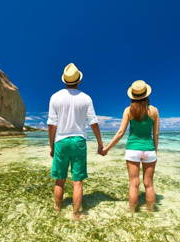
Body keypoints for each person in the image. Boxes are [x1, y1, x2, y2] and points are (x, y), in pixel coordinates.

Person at [47, 63, 103, 220]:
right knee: (77, 181)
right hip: (78, 141)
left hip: (61, 141)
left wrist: (52, 146)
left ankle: (57, 208)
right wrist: (100, 143)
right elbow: (93, 122)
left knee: (60, 179)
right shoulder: (86, 98)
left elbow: (52, 125)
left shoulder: (55, 97)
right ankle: (76, 214)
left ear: (64, 80)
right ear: (78, 81)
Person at [102, 80, 159, 212]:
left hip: (133, 150)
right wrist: (155, 150)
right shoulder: (154, 111)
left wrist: (107, 148)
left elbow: (121, 132)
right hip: (149, 150)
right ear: (146, 94)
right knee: (148, 184)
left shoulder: (128, 110)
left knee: (134, 183)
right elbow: (155, 134)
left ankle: (132, 211)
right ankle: (151, 211)